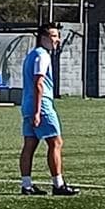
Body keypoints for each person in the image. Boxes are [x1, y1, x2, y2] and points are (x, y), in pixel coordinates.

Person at [19, 22, 77, 196]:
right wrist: (38, 111)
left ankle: (26, 185)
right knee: (55, 142)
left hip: (27, 104)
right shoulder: (42, 56)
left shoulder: (31, 55)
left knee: (30, 144)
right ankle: (58, 184)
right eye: (53, 36)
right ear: (43, 38)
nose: (57, 40)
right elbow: (39, 83)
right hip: (41, 104)